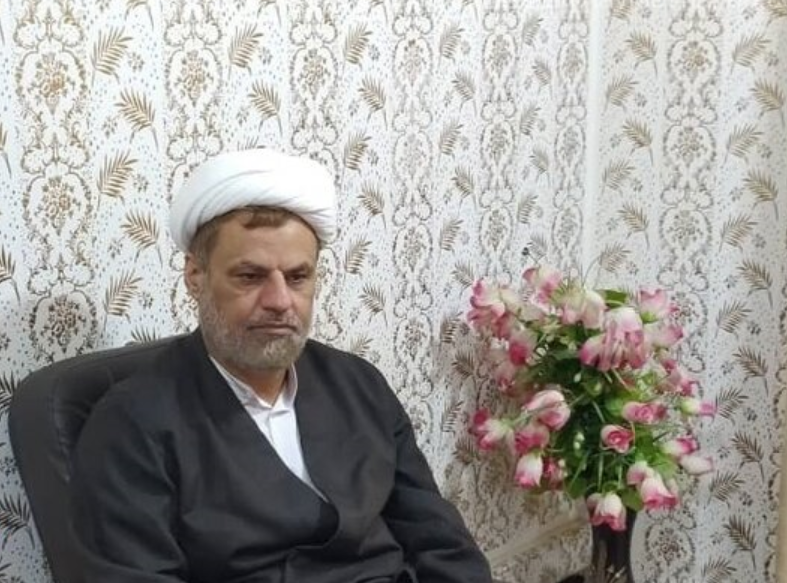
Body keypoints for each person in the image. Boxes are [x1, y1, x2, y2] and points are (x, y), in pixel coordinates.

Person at [69, 148, 494, 583]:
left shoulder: (358, 385)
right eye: (250, 277)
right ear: (195, 276)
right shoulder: (132, 425)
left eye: (297, 277)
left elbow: (439, 540)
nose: (279, 301)